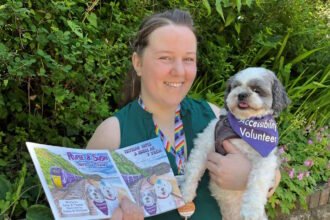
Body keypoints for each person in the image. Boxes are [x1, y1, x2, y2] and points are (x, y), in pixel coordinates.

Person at [87, 9, 280, 220]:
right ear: (138, 63)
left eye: (188, 59)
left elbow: (269, 169)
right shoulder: (112, 135)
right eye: (165, 58)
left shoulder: (217, 118)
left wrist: (248, 177)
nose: (179, 71)